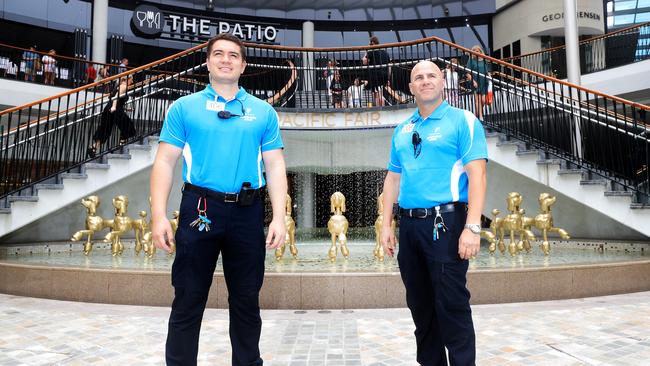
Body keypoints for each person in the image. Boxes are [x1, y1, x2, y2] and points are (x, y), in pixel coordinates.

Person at [150, 33, 287, 366]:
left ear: (243, 64)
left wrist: (279, 217)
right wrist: (158, 215)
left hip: (247, 212)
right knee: (188, 296)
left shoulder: (263, 112)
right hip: (200, 210)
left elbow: (275, 164)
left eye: (233, 55)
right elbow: (165, 162)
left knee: (246, 300)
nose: (226, 59)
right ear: (208, 61)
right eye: (219, 54)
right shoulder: (184, 108)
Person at [381, 60, 487, 366]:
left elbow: (477, 175)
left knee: (451, 305)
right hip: (410, 228)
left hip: (447, 223)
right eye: (418, 77)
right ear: (411, 87)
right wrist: (386, 225)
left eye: (431, 75)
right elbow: (393, 178)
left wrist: (473, 227)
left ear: (443, 83)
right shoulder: (402, 130)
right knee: (421, 308)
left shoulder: (462, 121)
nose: (425, 81)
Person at [87, 76, 136, 158]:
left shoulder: (119, 85)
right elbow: (115, 97)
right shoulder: (124, 86)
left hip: (109, 109)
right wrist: (114, 107)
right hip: (114, 109)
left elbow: (118, 101)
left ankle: (93, 148)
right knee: (128, 125)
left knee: (105, 130)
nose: (132, 81)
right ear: (127, 79)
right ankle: (122, 144)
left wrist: (127, 109)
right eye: (131, 79)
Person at [363, 36, 390, 107]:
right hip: (384, 76)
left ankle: (380, 110)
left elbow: (364, 62)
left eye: (370, 44)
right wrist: (388, 78)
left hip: (375, 76)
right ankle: (381, 108)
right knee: (380, 93)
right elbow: (389, 67)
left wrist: (366, 52)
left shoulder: (372, 51)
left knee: (377, 95)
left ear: (372, 43)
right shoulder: (385, 52)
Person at [465, 45, 491, 120]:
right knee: (478, 100)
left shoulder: (484, 60)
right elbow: (467, 73)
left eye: (477, 51)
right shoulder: (471, 60)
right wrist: (473, 81)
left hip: (484, 82)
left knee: (483, 101)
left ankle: (476, 114)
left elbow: (487, 71)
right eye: (474, 51)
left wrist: (489, 76)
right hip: (476, 81)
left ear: (480, 52)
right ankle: (480, 116)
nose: (476, 52)